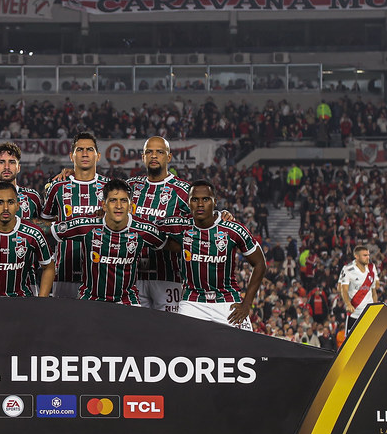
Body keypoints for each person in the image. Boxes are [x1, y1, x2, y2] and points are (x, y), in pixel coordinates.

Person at [159, 180, 266, 331]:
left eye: (206, 199)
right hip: (192, 302)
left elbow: (260, 263)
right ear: (188, 203)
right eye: (195, 199)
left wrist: (247, 304)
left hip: (227, 301)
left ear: (215, 201)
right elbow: (147, 230)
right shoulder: (180, 226)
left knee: (246, 349)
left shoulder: (234, 229)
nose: (200, 204)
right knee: (180, 346)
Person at [50, 179, 167, 305]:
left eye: (123, 200)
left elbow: (166, 244)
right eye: (113, 200)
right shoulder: (87, 225)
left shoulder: (144, 230)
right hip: (90, 299)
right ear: (104, 205)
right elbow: (49, 230)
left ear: (130, 205)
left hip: (127, 301)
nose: (118, 206)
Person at [126, 136, 192, 312]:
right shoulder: (130, 187)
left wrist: (223, 214)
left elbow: (199, 230)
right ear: (143, 157)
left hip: (169, 277)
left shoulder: (184, 191)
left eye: (159, 152)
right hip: (133, 278)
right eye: (149, 152)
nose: (154, 156)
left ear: (168, 157)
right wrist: (73, 174)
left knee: (169, 335)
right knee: (134, 332)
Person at [40, 132, 108, 299]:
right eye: (80, 149)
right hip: (64, 272)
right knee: (63, 324)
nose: (85, 154)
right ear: (72, 155)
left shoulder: (109, 187)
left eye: (90, 149)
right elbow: (45, 225)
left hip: (100, 274)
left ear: (98, 156)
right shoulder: (58, 187)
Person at [337, 245, 380, 338]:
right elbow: (343, 289)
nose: (368, 257)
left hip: (368, 313)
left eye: (368, 255)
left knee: (370, 340)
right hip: (354, 313)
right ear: (356, 256)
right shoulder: (348, 269)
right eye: (364, 255)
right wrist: (348, 304)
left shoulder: (372, 268)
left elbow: (374, 291)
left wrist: (375, 307)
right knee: (350, 340)